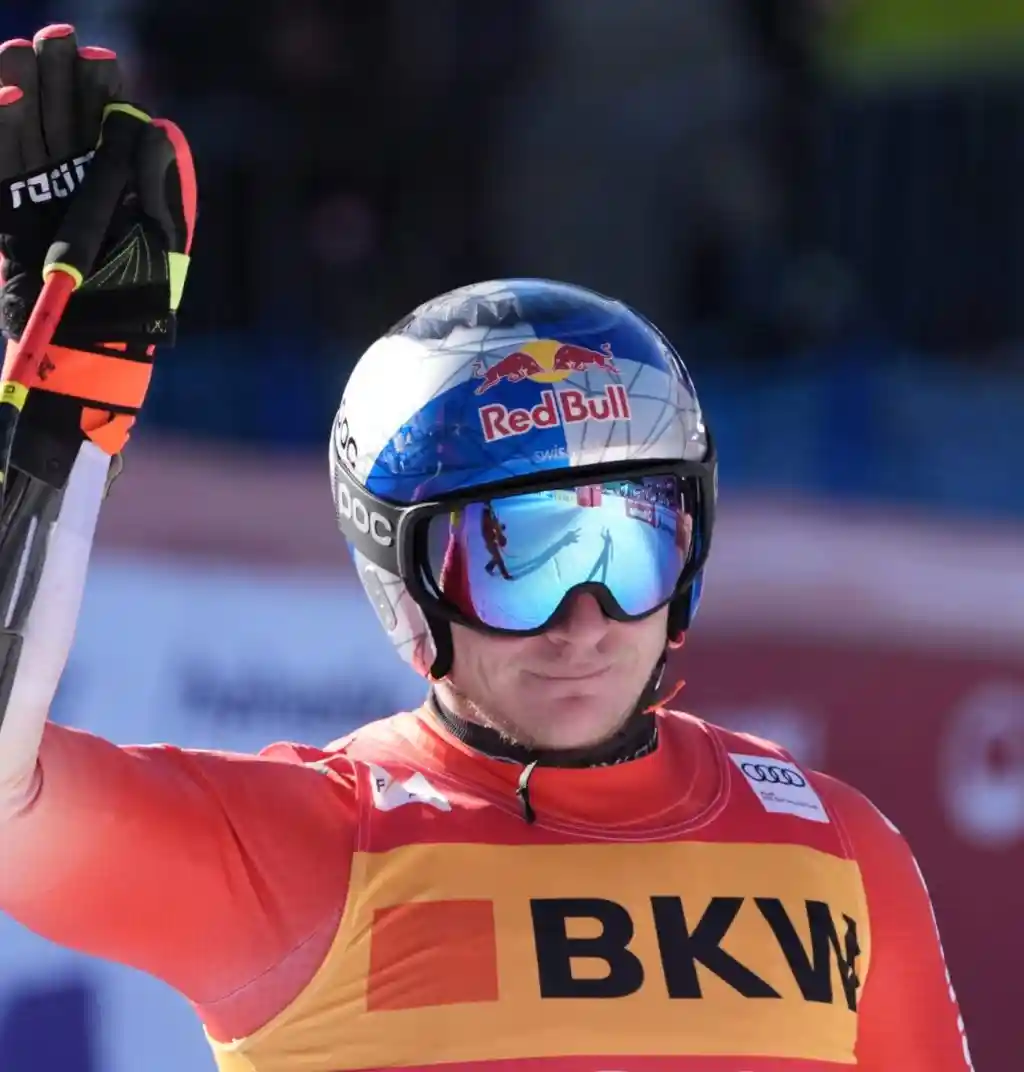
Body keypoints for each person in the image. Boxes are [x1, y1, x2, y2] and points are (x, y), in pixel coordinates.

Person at [0, 23, 974, 1072]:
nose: (585, 622)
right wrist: (61, 421)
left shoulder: (836, 849)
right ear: (403, 584)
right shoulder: (311, 851)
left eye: (628, 544)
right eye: (518, 559)